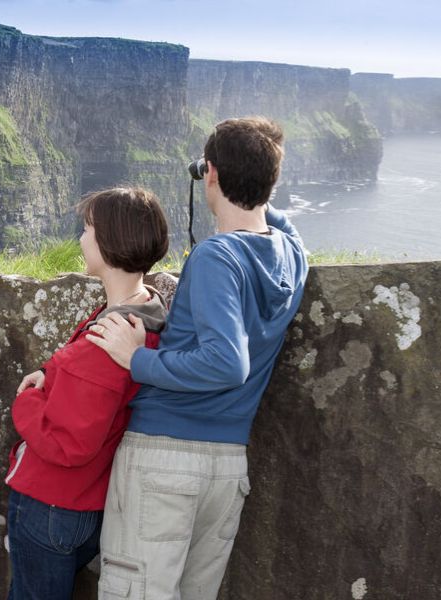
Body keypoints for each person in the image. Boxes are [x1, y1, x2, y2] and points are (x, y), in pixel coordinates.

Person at [88, 117, 309, 599]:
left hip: (165, 459)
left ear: (208, 174)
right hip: (226, 467)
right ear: (270, 182)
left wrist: (135, 360)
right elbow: (279, 222)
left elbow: (227, 362)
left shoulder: (218, 256)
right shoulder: (291, 256)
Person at [4, 187, 170, 600]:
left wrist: (25, 402)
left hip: (51, 505)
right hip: (87, 502)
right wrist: (48, 373)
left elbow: (68, 443)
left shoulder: (107, 342)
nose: (81, 238)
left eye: (88, 229)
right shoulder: (142, 311)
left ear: (110, 241)